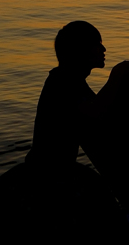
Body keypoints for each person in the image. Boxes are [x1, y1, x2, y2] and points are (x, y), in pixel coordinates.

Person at [25, 21, 107, 166]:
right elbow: (99, 113)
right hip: (50, 174)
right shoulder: (65, 83)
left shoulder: (67, 79)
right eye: (97, 44)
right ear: (82, 50)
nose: (103, 49)